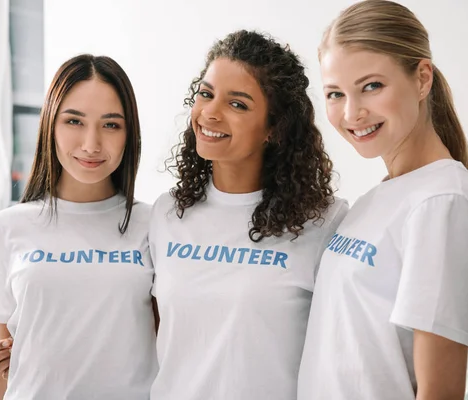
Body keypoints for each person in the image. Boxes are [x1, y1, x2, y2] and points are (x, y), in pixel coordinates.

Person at [297, 1, 468, 399]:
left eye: (371, 86)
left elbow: (439, 392)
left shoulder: (442, 202)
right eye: (335, 93)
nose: (352, 113)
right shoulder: (380, 199)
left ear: (422, 79)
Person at [148, 30, 348, 400]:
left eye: (237, 104)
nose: (210, 112)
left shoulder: (325, 223)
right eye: (206, 94)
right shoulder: (167, 214)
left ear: (273, 128)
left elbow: (343, 352)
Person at [0, 54, 158, 400]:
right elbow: (7, 362)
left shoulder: (155, 226)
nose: (91, 144)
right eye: (74, 121)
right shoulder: (6, 229)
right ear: (50, 124)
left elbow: (174, 342)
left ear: (129, 133)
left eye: (111, 124)